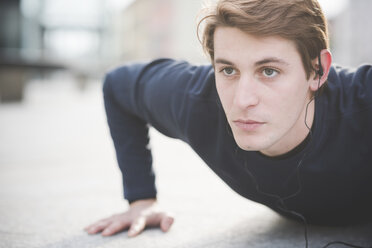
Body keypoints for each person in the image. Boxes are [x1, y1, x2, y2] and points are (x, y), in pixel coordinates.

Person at [84, 0, 372, 239]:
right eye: (228, 71)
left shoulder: (362, 103)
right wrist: (141, 198)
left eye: (269, 71)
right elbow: (118, 84)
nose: (242, 100)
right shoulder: (197, 100)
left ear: (318, 71)